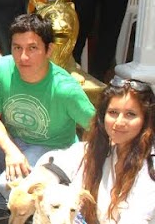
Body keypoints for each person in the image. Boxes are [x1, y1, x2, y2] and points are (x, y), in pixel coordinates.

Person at [0, 14, 96, 224]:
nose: (23, 57)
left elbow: (98, 128)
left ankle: (31, 213)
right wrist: (11, 150)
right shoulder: (0, 69)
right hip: (15, 140)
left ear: (49, 50)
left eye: (32, 48)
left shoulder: (66, 88)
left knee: (6, 184)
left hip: (51, 149)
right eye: (17, 47)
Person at [41, 78, 155, 224]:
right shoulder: (96, 151)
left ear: (146, 120)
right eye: (113, 112)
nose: (119, 122)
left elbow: (136, 219)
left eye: (130, 114)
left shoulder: (150, 168)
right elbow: (53, 164)